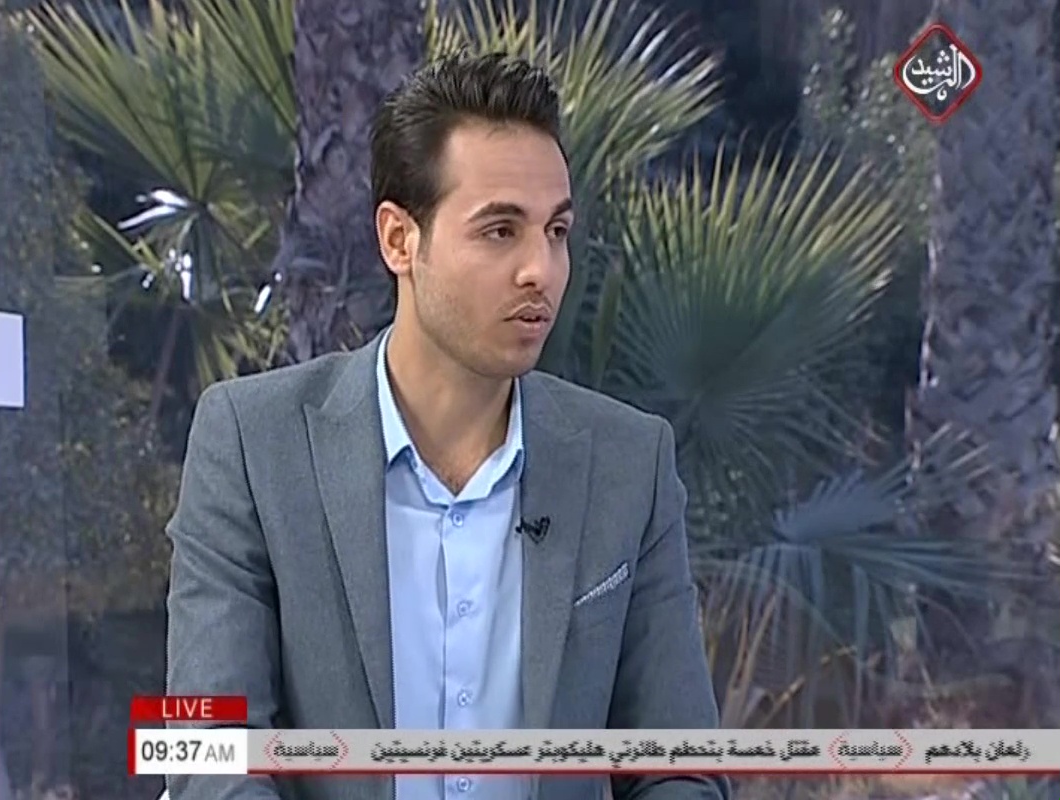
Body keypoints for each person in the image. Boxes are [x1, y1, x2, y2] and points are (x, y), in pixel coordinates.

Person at [164, 51, 729, 800]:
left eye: (557, 231)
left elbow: (681, 763)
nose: (541, 269)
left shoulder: (630, 461)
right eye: (500, 231)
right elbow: (206, 754)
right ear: (399, 240)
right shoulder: (249, 442)